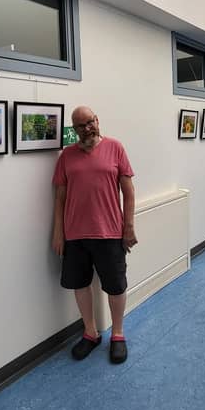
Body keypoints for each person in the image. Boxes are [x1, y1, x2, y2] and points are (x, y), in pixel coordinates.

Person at [51, 106, 137, 364]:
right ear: (74, 129)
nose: (87, 128)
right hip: (75, 233)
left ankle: (118, 334)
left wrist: (128, 226)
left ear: (98, 121)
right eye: (80, 125)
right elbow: (60, 197)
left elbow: (129, 192)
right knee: (80, 284)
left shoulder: (115, 148)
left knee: (115, 285)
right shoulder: (67, 156)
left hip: (109, 231)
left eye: (90, 122)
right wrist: (58, 232)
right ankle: (90, 332)